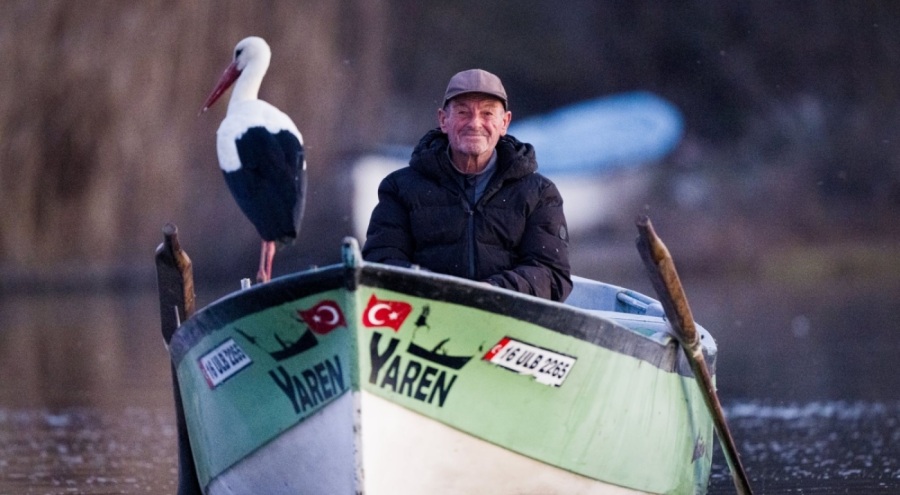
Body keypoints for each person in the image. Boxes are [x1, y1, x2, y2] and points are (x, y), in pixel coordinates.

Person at [362, 69, 572, 302]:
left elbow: (552, 276)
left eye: (487, 113)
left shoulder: (540, 194)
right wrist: (433, 289)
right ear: (443, 120)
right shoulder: (399, 188)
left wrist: (493, 291)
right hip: (420, 321)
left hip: (509, 325)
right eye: (463, 112)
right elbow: (379, 264)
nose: (475, 123)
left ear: (505, 123)